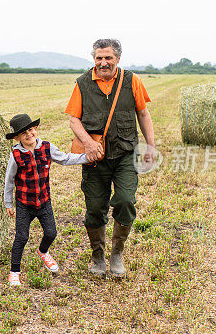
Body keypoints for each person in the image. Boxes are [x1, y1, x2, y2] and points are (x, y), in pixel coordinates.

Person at [64, 39, 156, 278]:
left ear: (117, 58)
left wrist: (151, 147)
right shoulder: (83, 83)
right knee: (95, 208)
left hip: (125, 154)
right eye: (98, 58)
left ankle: (117, 254)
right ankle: (97, 256)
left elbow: (143, 114)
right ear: (94, 59)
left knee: (125, 201)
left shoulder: (132, 81)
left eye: (108, 58)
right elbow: (74, 119)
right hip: (95, 158)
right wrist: (88, 143)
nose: (103, 63)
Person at [3, 113, 87, 286]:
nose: (28, 134)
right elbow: (9, 180)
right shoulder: (16, 155)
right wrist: (8, 203)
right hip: (24, 204)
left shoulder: (47, 147)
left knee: (51, 233)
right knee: (21, 237)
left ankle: (43, 252)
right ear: (17, 137)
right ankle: (14, 272)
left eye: (31, 129)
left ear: (36, 129)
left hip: (44, 202)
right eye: (23, 133)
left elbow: (65, 158)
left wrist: (86, 157)